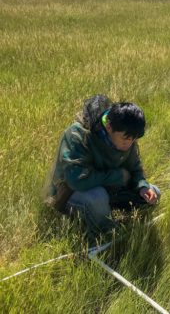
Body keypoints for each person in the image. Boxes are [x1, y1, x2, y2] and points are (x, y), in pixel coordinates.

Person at [43, 94, 161, 242]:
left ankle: (105, 212)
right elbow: (76, 180)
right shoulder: (78, 134)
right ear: (108, 127)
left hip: (109, 189)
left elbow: (135, 168)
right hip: (70, 194)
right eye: (126, 139)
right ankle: (107, 238)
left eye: (133, 139)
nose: (129, 144)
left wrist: (142, 187)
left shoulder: (127, 134)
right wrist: (117, 176)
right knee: (97, 197)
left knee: (155, 193)